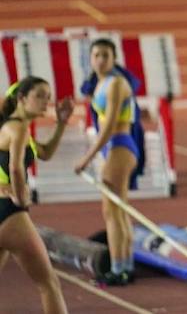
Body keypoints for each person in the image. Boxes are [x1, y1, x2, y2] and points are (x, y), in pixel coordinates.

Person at [0, 78, 74, 313]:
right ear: (21, 99)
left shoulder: (15, 129)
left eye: (48, 96)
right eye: (40, 95)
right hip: (9, 215)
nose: (47, 102)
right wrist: (21, 198)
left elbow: (45, 153)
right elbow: (15, 168)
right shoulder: (17, 128)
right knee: (48, 283)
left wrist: (61, 124)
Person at [73, 38, 141, 285]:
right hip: (112, 149)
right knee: (117, 211)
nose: (100, 60)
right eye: (96, 55)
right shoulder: (100, 83)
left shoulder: (115, 84)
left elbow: (110, 125)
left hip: (120, 146)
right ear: (90, 59)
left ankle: (119, 268)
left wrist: (87, 158)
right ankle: (125, 266)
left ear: (114, 58)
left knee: (112, 212)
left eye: (105, 55)